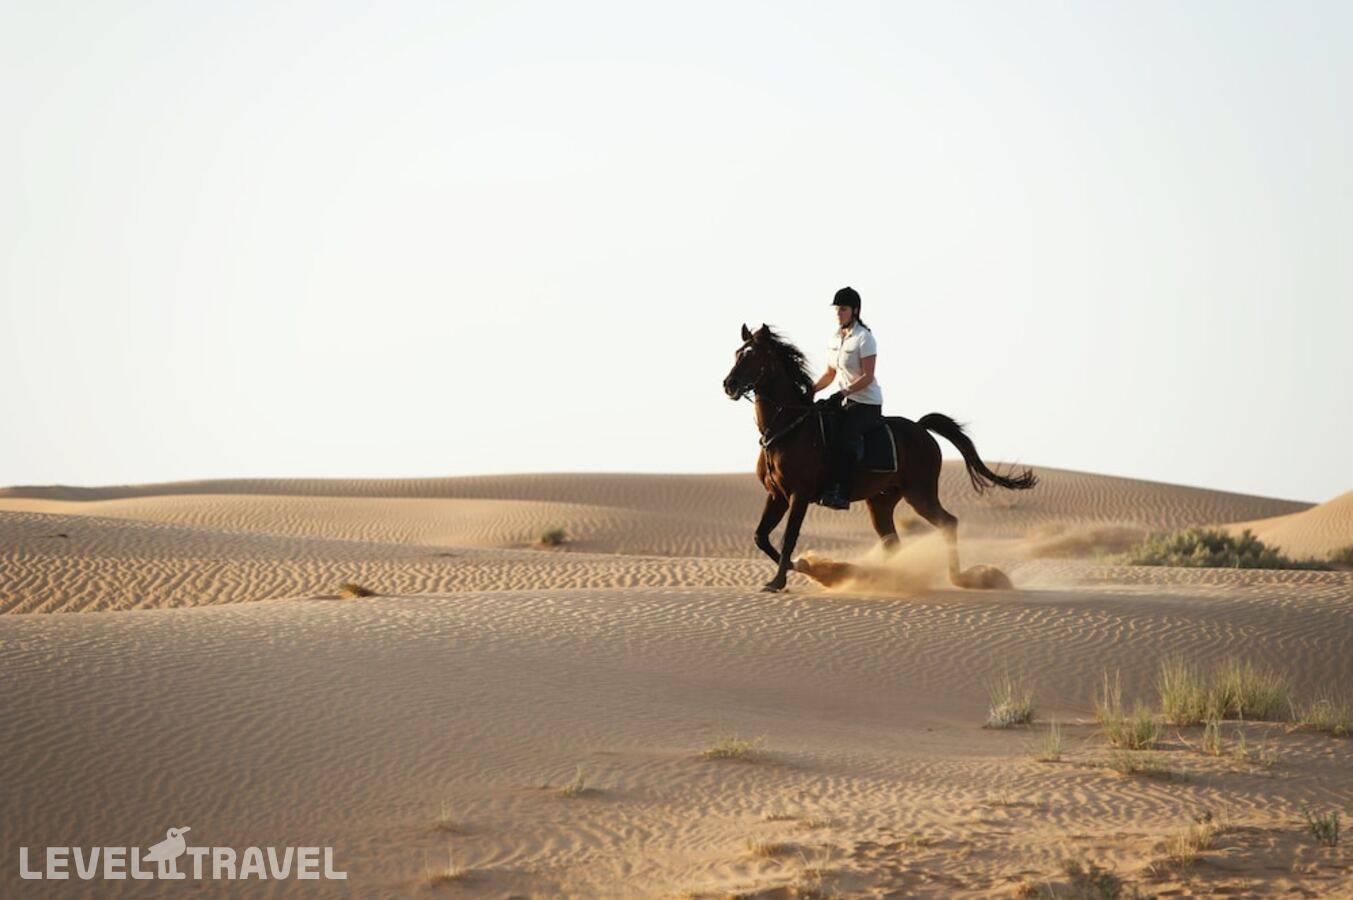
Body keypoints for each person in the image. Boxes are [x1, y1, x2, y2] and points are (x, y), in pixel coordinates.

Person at [811, 286, 883, 509]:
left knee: (844, 439)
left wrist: (842, 392)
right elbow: (830, 373)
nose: (838, 313)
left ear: (855, 310)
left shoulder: (864, 338)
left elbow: (867, 377)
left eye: (843, 309)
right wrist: (810, 390)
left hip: (866, 403)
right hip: (843, 400)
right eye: (836, 309)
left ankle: (841, 493)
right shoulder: (834, 339)